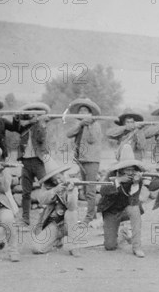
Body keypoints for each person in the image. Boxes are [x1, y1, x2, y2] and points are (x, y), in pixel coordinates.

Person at [96, 144, 146, 258]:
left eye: (132, 169)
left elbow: (133, 201)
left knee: (135, 210)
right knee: (110, 246)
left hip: (126, 209)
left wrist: (135, 184)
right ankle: (122, 235)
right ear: (121, 169)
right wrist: (118, 181)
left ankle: (137, 246)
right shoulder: (112, 175)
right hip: (111, 211)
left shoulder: (137, 177)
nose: (130, 172)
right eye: (127, 169)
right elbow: (103, 190)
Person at [31, 159, 81, 257]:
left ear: (63, 174)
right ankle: (57, 240)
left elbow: (72, 207)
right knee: (36, 248)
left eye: (59, 177)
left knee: (71, 213)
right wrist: (55, 190)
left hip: (68, 224)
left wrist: (70, 192)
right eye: (54, 180)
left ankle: (74, 246)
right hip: (54, 224)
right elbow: (42, 199)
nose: (57, 181)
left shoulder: (71, 184)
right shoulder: (48, 186)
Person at [65, 98, 103, 226]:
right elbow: (68, 134)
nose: (82, 113)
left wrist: (89, 125)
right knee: (86, 189)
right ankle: (93, 215)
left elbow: (92, 139)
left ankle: (89, 216)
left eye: (85, 111)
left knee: (90, 190)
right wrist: (81, 124)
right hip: (81, 160)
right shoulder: (79, 126)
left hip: (91, 160)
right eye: (80, 111)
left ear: (90, 113)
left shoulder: (95, 125)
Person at [13, 102, 51, 227]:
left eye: (36, 112)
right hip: (25, 161)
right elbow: (16, 124)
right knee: (26, 192)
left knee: (49, 187)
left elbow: (41, 139)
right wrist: (28, 121)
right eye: (30, 112)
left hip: (38, 161)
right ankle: (25, 219)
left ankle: (51, 216)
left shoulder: (40, 126)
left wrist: (40, 123)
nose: (33, 114)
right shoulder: (23, 126)